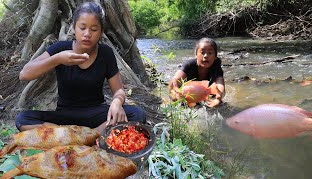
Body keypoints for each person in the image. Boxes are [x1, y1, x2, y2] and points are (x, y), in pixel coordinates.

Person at [15, 2, 146, 133]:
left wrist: (117, 102)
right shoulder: (61, 48)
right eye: (82, 28)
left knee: (137, 115)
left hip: (96, 114)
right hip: (65, 115)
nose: (87, 34)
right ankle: (88, 136)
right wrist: (58, 59)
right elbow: (24, 74)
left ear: (101, 32)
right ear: (73, 27)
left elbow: (118, 90)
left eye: (94, 29)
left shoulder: (105, 53)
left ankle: (85, 135)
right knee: (23, 119)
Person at [168, 37, 225, 107]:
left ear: (215, 56)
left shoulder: (217, 68)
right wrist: (175, 92)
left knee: (221, 104)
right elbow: (174, 80)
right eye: (202, 52)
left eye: (210, 53)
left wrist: (218, 99)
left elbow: (220, 87)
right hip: (187, 95)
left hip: (206, 94)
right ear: (196, 54)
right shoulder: (189, 65)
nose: (206, 56)